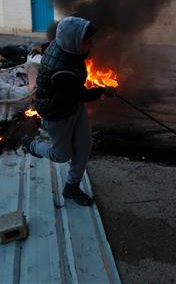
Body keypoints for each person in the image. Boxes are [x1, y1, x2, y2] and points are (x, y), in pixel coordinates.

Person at [22, 16, 116, 206]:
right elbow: (81, 94)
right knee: (62, 156)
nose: (91, 44)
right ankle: (31, 145)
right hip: (56, 114)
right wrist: (104, 90)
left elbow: (49, 45)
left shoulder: (63, 46)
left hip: (72, 106)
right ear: (73, 42)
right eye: (86, 41)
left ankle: (71, 188)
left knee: (84, 145)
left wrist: (39, 46)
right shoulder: (62, 71)